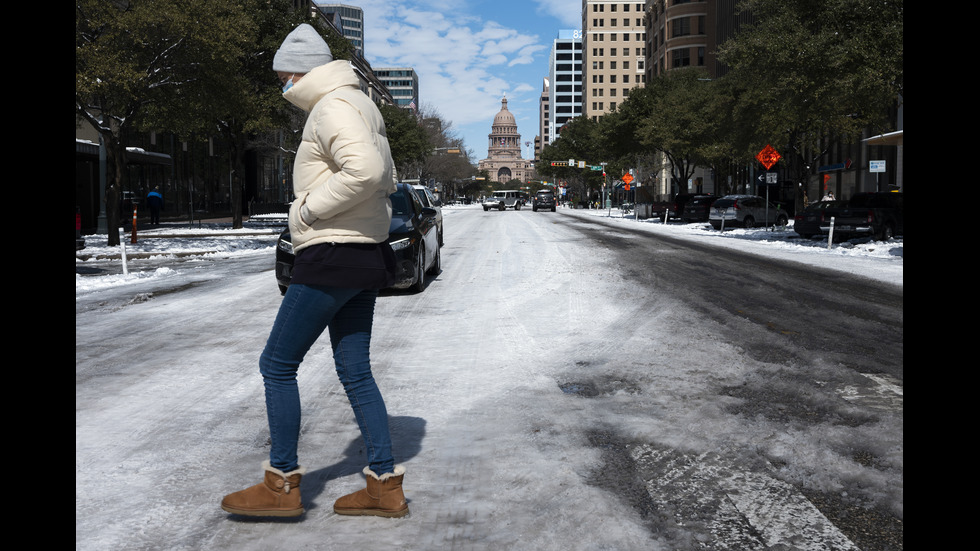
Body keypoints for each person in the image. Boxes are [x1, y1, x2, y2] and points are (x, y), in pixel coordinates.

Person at [220, 23, 407, 519]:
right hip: (364, 253)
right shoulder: (363, 104)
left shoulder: (332, 106)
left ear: (302, 71)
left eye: (284, 76)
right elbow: (385, 176)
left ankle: (281, 484)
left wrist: (305, 212)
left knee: (277, 365)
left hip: (331, 253)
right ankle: (383, 486)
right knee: (355, 371)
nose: (283, 86)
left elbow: (365, 172)